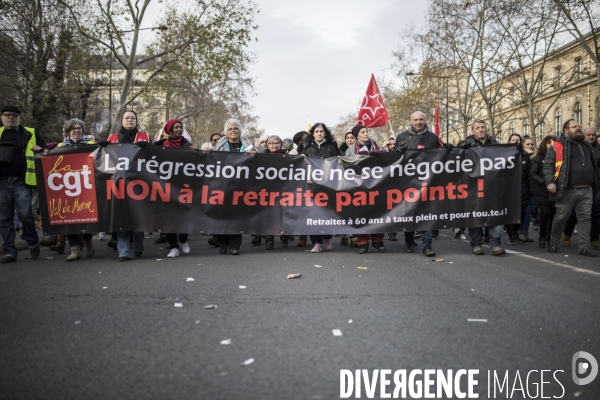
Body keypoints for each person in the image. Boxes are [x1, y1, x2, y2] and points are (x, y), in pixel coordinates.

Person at [543, 119, 600, 257]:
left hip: (586, 189)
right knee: (561, 217)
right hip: (567, 189)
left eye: (579, 126)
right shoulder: (558, 146)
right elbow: (548, 165)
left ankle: (584, 247)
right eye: (574, 126)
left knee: (585, 218)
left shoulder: (586, 145)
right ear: (566, 130)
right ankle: (554, 242)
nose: (578, 128)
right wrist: (550, 182)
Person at [394, 111, 445, 257]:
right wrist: (397, 151)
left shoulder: (433, 138)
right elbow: (395, 159)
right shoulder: (402, 137)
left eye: (421, 119)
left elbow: (440, 158)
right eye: (416, 119)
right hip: (407, 182)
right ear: (411, 120)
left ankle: (427, 245)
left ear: (425, 120)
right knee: (410, 213)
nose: (418, 122)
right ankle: (409, 242)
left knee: (426, 213)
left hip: (427, 182)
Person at [0, 105, 43, 264]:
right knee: (5, 218)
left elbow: (46, 150)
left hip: (22, 181)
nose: (10, 117)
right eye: (7, 115)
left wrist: (40, 148)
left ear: (19, 117)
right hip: (2, 182)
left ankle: (32, 242)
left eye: (14, 115)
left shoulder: (30, 132)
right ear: (2, 117)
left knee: (25, 214)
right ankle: (10, 251)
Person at [105, 110, 149, 261]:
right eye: (127, 118)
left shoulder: (144, 136)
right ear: (122, 121)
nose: (130, 120)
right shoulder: (113, 137)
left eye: (132, 118)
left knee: (138, 215)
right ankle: (123, 251)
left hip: (138, 182)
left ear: (136, 121)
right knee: (121, 217)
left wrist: (147, 147)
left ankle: (138, 243)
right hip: (118, 183)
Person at [462, 119, 506, 256]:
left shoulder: (495, 144)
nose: (481, 130)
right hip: (473, 187)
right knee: (475, 216)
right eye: (477, 128)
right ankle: (476, 244)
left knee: (495, 215)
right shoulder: (466, 145)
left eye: (483, 127)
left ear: (486, 129)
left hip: (492, 187)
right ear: (472, 131)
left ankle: (495, 244)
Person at [55, 118, 96, 261]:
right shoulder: (61, 146)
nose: (77, 131)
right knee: (69, 218)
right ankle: (74, 249)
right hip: (68, 187)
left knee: (86, 217)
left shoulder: (91, 144)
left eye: (79, 128)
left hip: (86, 185)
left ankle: (88, 240)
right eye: (74, 129)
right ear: (68, 131)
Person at [213, 118, 256, 255]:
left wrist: (254, 156)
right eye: (230, 129)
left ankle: (235, 246)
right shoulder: (218, 147)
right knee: (223, 215)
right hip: (223, 186)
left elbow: (256, 165)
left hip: (241, 186)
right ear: (226, 132)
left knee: (237, 216)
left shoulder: (249, 147)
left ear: (240, 131)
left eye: (235, 128)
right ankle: (223, 243)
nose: (233, 131)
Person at [154, 119, 195, 257]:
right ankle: (174, 247)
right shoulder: (159, 145)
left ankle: (183, 239)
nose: (179, 129)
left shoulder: (187, 145)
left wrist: (197, 152)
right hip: (165, 186)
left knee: (184, 215)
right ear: (170, 129)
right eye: (176, 127)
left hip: (183, 186)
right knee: (168, 218)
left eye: (181, 127)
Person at [345, 125, 386, 253]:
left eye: (367, 132)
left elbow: (385, 160)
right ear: (357, 136)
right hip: (359, 186)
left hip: (376, 184)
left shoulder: (376, 147)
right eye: (363, 132)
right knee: (361, 214)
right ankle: (362, 242)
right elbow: (349, 165)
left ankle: (377, 240)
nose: (366, 134)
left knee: (376, 213)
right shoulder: (351, 149)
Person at [300, 123, 340, 252]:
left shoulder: (332, 146)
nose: (319, 134)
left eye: (321, 131)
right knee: (313, 214)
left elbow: (339, 160)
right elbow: (297, 161)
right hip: (312, 185)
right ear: (313, 133)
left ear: (325, 133)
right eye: (316, 131)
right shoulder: (305, 147)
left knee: (327, 213)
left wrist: (339, 158)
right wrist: (301, 158)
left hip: (328, 184)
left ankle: (326, 238)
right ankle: (316, 242)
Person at [262, 135, 289, 250]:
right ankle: (269, 240)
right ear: (267, 145)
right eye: (271, 143)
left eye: (276, 143)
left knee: (283, 215)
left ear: (281, 144)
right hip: (267, 190)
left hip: (284, 189)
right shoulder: (262, 157)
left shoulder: (287, 156)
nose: (274, 145)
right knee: (269, 216)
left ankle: (284, 236)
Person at [530, 135, 557, 248]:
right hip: (542, 190)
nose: (551, 145)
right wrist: (544, 182)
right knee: (544, 213)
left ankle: (550, 237)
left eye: (553, 143)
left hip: (555, 191)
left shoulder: (559, 158)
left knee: (553, 215)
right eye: (548, 143)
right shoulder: (539, 157)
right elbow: (533, 173)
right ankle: (542, 236)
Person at [505, 133, 530, 245]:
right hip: (509, 189)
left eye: (518, 140)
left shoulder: (525, 156)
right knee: (511, 213)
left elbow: (528, 173)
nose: (516, 142)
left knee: (522, 212)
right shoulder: (504, 155)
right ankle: (511, 235)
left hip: (522, 188)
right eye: (513, 140)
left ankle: (515, 232)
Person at [518, 135, 536, 242]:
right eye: (528, 144)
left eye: (532, 144)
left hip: (531, 188)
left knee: (529, 211)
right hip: (524, 187)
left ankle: (525, 232)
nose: (530, 146)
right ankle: (520, 231)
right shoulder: (521, 157)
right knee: (523, 210)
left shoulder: (533, 157)